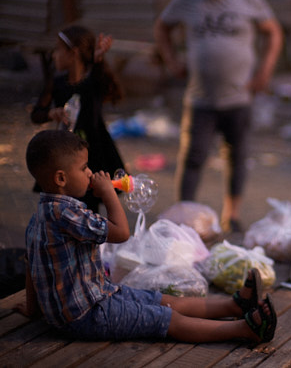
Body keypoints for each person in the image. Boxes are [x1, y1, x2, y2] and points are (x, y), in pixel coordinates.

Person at [17, 129, 277, 343]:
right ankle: (244, 331)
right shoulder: (67, 213)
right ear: (61, 178)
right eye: (84, 168)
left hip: (97, 296)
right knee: (168, 320)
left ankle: (235, 306)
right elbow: (121, 233)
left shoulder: (40, 216)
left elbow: (32, 265)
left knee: (165, 301)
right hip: (86, 315)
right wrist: (109, 194)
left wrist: (31, 309)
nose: (90, 173)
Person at [154, 0, 283, 233]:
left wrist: (265, 72)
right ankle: (183, 217)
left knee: (237, 158)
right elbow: (162, 27)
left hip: (239, 98)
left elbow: (274, 33)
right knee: (192, 158)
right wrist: (171, 60)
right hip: (200, 99)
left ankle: (232, 215)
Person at [30, 25, 126, 213]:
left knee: (89, 204)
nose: (54, 55)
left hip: (93, 154)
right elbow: (36, 114)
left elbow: (100, 79)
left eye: (58, 50)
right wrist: (52, 113)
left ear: (73, 53)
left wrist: (98, 59)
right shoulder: (57, 83)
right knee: (62, 200)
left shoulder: (92, 84)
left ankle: (91, 241)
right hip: (64, 154)